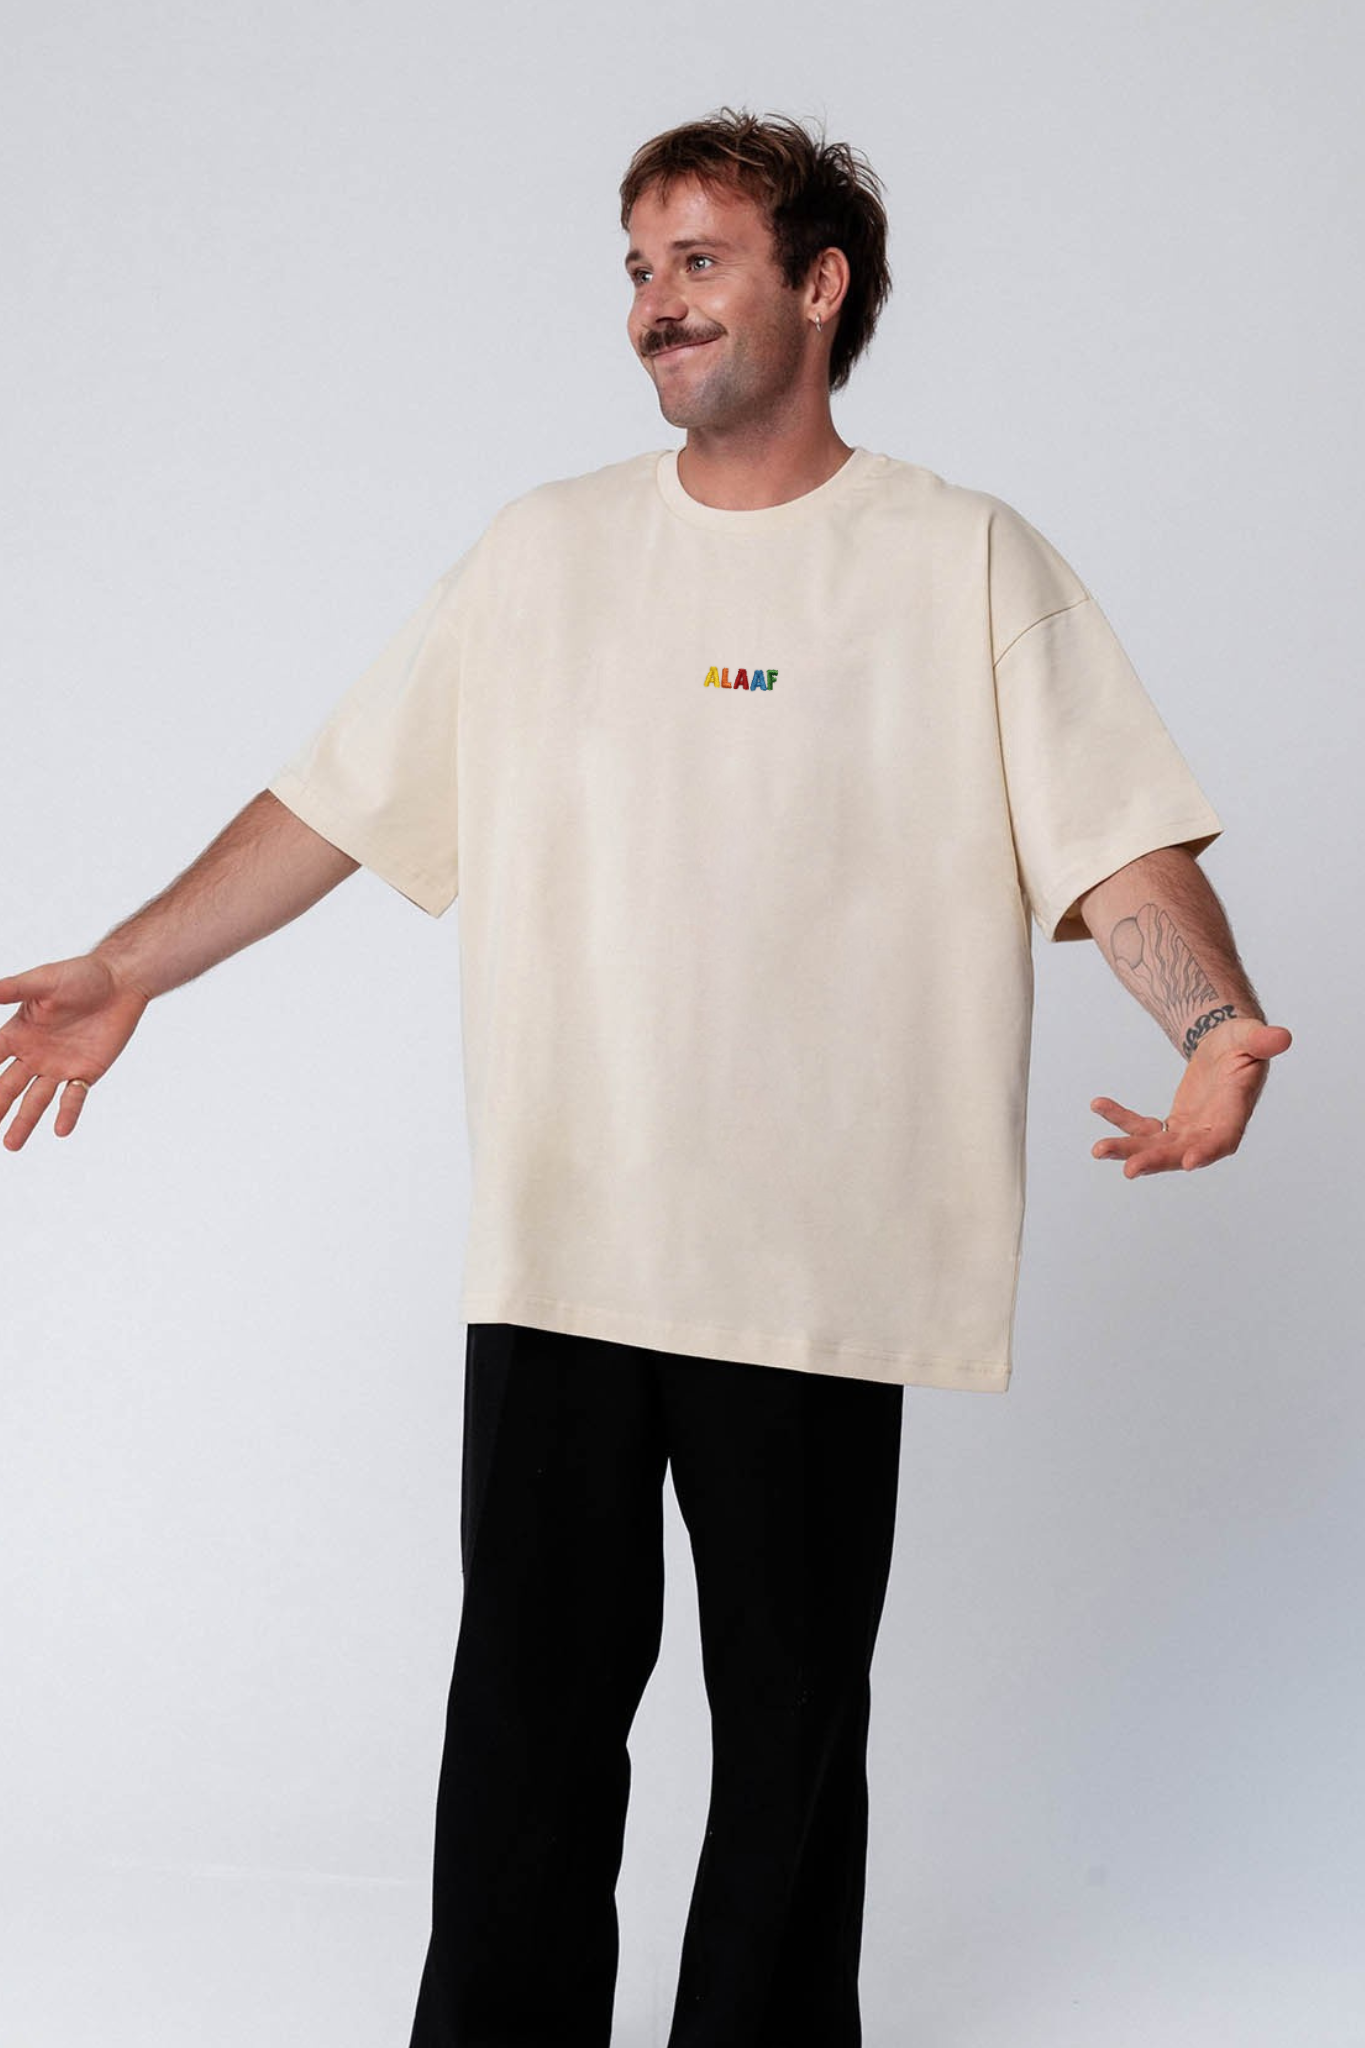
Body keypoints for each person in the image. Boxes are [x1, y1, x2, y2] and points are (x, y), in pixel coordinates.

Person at [1, 108, 1291, 2048]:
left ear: (820, 284)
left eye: (698, 260)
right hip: (569, 1242)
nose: (652, 304)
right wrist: (129, 966)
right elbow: (338, 796)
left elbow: (1112, 833)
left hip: (822, 1257)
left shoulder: (959, 560)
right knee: (525, 1720)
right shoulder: (545, 554)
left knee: (789, 1733)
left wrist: (1206, 1025)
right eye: (635, 267)